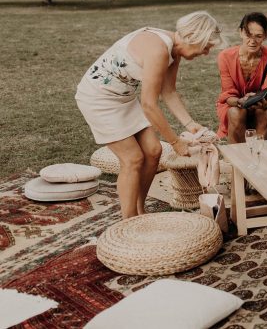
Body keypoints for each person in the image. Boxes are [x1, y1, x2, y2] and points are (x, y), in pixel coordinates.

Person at [75, 11, 223, 219]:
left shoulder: (174, 51)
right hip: (98, 98)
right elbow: (149, 105)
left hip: (123, 98)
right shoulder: (159, 51)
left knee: (153, 151)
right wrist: (175, 142)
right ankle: (128, 222)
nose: (207, 52)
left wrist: (190, 124)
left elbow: (168, 92)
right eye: (207, 46)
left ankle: (140, 211)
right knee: (133, 159)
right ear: (195, 37)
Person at [216, 12, 267, 143]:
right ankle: (237, 157)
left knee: (265, 112)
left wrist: (264, 101)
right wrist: (241, 101)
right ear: (241, 32)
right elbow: (228, 94)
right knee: (236, 112)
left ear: (265, 36)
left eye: (258, 36)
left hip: (260, 105)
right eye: (248, 35)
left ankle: (258, 154)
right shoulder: (225, 56)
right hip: (234, 104)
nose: (252, 41)